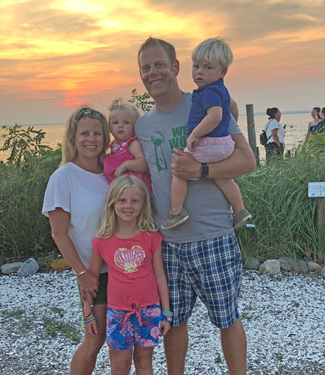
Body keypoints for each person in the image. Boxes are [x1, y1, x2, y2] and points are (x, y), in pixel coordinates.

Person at [135, 36, 256, 375]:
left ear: (175, 67)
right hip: (168, 244)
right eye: (145, 68)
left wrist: (202, 170)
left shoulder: (204, 103)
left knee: (227, 320)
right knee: (172, 322)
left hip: (213, 236)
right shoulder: (143, 126)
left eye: (159, 64)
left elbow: (247, 160)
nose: (152, 72)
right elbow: (145, 171)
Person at [42, 105, 110, 375]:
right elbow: (58, 232)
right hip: (94, 273)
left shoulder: (111, 172)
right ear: (72, 138)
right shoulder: (63, 177)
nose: (91, 139)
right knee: (95, 338)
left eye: (97, 133)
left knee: (123, 340)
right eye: (84, 133)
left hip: (124, 266)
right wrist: (82, 273)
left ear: (105, 138)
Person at [84, 175, 171, 375]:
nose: (128, 206)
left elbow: (159, 276)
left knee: (144, 362)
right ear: (112, 203)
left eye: (134, 200)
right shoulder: (102, 240)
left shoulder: (151, 236)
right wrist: (87, 313)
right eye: (122, 200)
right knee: (120, 365)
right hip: (117, 313)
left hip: (149, 311)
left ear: (143, 204)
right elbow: (91, 280)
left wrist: (166, 313)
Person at [161, 38, 251, 230]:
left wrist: (194, 135)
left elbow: (215, 116)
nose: (199, 71)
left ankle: (176, 212)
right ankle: (240, 210)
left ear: (222, 71)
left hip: (209, 142)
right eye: (196, 66)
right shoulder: (220, 90)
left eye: (207, 68)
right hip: (223, 144)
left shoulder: (209, 91)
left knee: (179, 167)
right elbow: (231, 108)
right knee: (222, 176)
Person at [104, 98, 152, 195]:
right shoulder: (113, 146)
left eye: (126, 122)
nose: (120, 126)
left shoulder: (132, 144)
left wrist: (126, 165)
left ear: (134, 126)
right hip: (121, 191)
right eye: (115, 123)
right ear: (109, 128)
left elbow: (144, 164)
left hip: (136, 191)